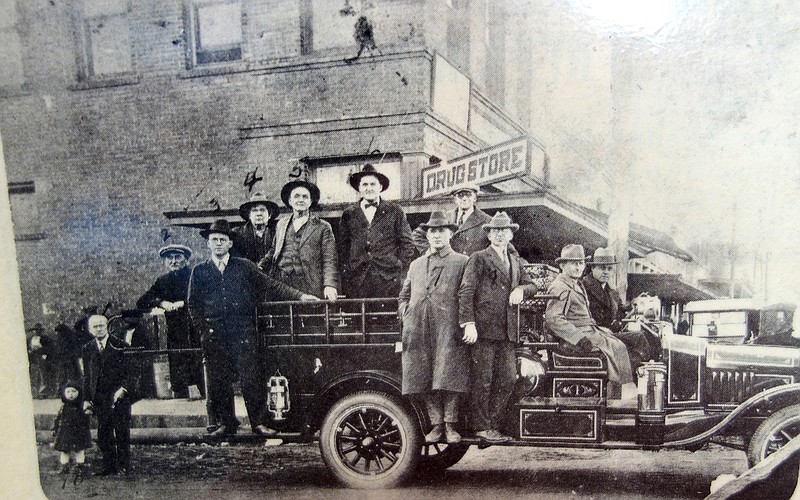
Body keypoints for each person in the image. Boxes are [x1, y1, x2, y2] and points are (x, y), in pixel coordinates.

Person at [187, 219, 319, 438]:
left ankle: (258, 423)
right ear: (208, 244)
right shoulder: (200, 271)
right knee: (219, 381)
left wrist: (300, 296)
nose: (218, 243)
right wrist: (204, 331)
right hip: (214, 333)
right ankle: (227, 424)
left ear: (230, 244)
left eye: (223, 240)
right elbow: (192, 304)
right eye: (214, 240)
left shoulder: (244, 266)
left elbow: (271, 285)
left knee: (251, 378)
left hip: (243, 332)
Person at [458, 212, 537, 444]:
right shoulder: (479, 258)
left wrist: (522, 290)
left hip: (508, 331)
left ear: (511, 234)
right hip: (483, 330)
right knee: (482, 379)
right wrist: (468, 323)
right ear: (489, 235)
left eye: (504, 231)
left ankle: (493, 424)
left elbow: (531, 284)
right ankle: (482, 427)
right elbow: (466, 292)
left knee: (507, 379)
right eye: (495, 231)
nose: (500, 235)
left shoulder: (515, 262)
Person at [399, 211, 470, 445]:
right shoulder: (417, 264)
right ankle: (436, 425)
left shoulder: (462, 261)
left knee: (448, 373)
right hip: (418, 326)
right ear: (427, 235)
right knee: (423, 374)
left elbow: (467, 294)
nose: (437, 235)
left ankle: (450, 426)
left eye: (441, 231)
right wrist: (405, 310)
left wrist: (464, 322)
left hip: (447, 326)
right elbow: (405, 293)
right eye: (432, 231)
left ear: (450, 233)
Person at [544, 244, 637, 400]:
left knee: (619, 346)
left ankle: (619, 394)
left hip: (589, 329)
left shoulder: (574, 284)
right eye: (573, 263)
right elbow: (554, 319)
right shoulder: (560, 287)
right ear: (562, 265)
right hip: (579, 334)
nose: (578, 267)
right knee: (616, 347)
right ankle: (618, 394)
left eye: (581, 263)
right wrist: (579, 339)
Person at [137, 243, 204, 399]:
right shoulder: (163, 281)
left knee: (201, 372)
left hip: (196, 331)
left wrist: (184, 303)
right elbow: (142, 301)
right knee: (178, 376)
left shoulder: (195, 275)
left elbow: (207, 299)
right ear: (164, 262)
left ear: (186, 260)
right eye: (169, 258)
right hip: (176, 333)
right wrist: (161, 303)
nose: (173, 261)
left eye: (177, 257)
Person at [338, 164, 414, 298]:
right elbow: (342, 248)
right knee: (359, 318)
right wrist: (348, 271)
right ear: (359, 188)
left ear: (380, 187)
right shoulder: (349, 214)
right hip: (357, 281)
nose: (369, 188)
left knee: (386, 318)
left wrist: (398, 266)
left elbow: (407, 243)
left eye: (373, 184)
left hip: (388, 280)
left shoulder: (395, 211)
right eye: (365, 184)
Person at [260, 179, 339, 301]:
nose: (300, 200)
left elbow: (330, 259)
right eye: (296, 196)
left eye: (305, 197)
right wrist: (259, 267)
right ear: (290, 201)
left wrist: (329, 285)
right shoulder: (281, 224)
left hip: (309, 284)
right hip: (282, 285)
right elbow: (273, 250)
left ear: (310, 201)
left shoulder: (323, 226)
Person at [80, 314, 138, 475]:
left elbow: (132, 372)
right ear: (90, 330)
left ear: (107, 326)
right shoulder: (87, 348)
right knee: (103, 434)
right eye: (95, 327)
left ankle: (124, 466)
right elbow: (87, 376)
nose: (99, 329)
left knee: (121, 432)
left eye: (101, 325)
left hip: (119, 396)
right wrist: (86, 399)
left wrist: (124, 388)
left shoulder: (120, 345)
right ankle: (109, 466)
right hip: (100, 398)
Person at [580, 247, 652, 369]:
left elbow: (620, 311)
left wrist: (634, 305)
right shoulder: (584, 287)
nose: (606, 272)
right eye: (602, 268)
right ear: (593, 268)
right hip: (596, 334)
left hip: (609, 333)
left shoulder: (611, 291)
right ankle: (630, 373)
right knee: (639, 338)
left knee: (648, 336)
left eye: (609, 269)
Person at [412, 184, 492, 256]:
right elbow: (417, 234)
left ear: (475, 198)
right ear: (455, 199)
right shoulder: (445, 217)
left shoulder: (486, 220)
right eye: (460, 195)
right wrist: (431, 252)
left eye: (468, 195)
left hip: (474, 269)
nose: (464, 198)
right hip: (450, 268)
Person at [52, 380, 92, 476]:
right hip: (65, 432)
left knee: (79, 450)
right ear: (64, 393)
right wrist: (54, 428)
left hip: (79, 432)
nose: (71, 394)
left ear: (79, 393)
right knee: (65, 450)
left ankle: (80, 467)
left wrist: (87, 414)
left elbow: (86, 420)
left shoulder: (81, 407)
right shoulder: (63, 407)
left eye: (74, 392)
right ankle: (64, 467)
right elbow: (58, 418)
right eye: (68, 392)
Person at [231, 192, 280, 264]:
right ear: (249, 216)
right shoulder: (237, 234)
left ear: (269, 215)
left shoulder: (277, 233)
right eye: (254, 210)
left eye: (262, 210)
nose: (259, 214)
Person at [27, 323, 56, 398]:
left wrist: (42, 352)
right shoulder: (30, 339)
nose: (37, 332)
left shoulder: (46, 338)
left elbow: (50, 348)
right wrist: (30, 351)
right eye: (36, 330)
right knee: (34, 375)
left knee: (43, 375)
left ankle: (44, 392)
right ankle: (35, 392)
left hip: (43, 359)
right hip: (33, 360)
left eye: (39, 330)